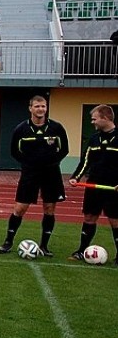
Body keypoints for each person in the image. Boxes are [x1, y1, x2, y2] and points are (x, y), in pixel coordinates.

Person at [0, 95, 69, 256]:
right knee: (20, 208)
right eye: (37, 106)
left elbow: (64, 149)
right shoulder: (21, 129)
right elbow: (14, 151)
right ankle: (8, 241)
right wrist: (28, 163)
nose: (41, 109)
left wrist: (52, 162)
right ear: (30, 108)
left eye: (43, 106)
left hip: (51, 174)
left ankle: (44, 245)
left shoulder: (56, 128)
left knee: (49, 209)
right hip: (30, 174)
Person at [67, 104, 118, 265]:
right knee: (89, 217)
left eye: (95, 119)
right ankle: (82, 250)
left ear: (106, 118)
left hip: (113, 187)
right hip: (94, 185)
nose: (92, 122)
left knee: (115, 220)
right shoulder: (94, 138)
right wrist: (76, 177)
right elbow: (86, 161)